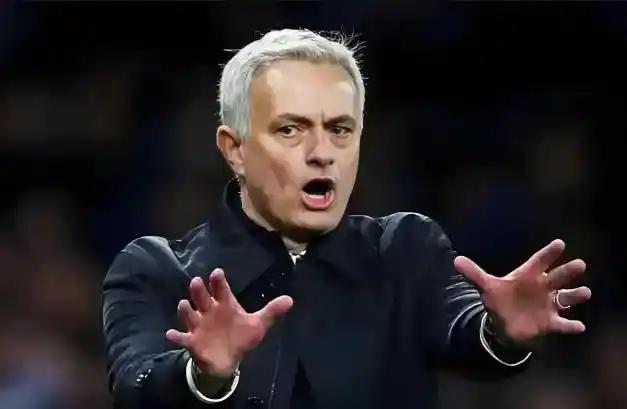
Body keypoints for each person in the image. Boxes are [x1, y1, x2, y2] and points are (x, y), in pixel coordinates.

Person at [102, 29, 592, 409]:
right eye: (290, 130)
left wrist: (499, 332)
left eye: (340, 129)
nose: (322, 153)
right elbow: (134, 385)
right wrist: (202, 374)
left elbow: (464, 330)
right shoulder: (156, 269)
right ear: (235, 149)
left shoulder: (404, 249)